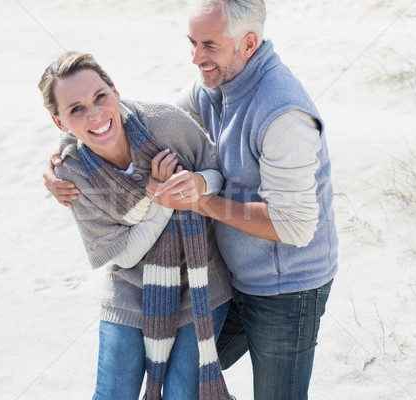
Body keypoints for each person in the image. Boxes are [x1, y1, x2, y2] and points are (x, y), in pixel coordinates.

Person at [44, 1, 338, 398]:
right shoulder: (215, 84)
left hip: (286, 290)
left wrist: (199, 198)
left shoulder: (283, 115)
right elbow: (135, 118)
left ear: (248, 44)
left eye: (209, 45)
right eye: (192, 42)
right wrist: (65, 153)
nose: (196, 57)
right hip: (228, 279)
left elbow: (297, 227)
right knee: (188, 389)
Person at [38, 51, 235, 400]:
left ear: (114, 91)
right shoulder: (71, 175)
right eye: (76, 109)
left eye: (100, 96)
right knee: (112, 393)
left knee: (179, 394)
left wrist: (198, 186)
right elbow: (125, 256)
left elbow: (218, 169)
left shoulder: (165, 125)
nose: (95, 114)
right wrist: (161, 201)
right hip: (131, 286)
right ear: (60, 122)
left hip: (200, 278)